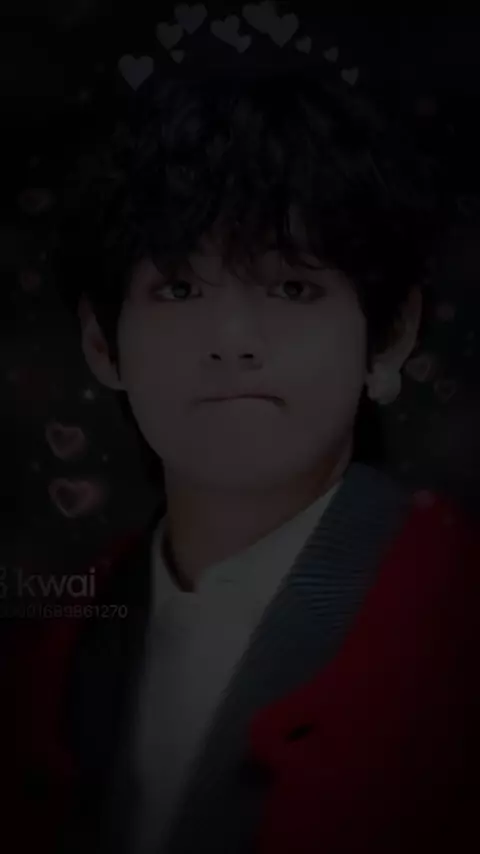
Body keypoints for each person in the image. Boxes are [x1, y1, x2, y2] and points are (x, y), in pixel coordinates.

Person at [4, 67, 479, 854]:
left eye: (291, 287)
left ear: (390, 335)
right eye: (179, 289)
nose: (232, 340)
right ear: (101, 343)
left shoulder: (457, 618)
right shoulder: (46, 656)